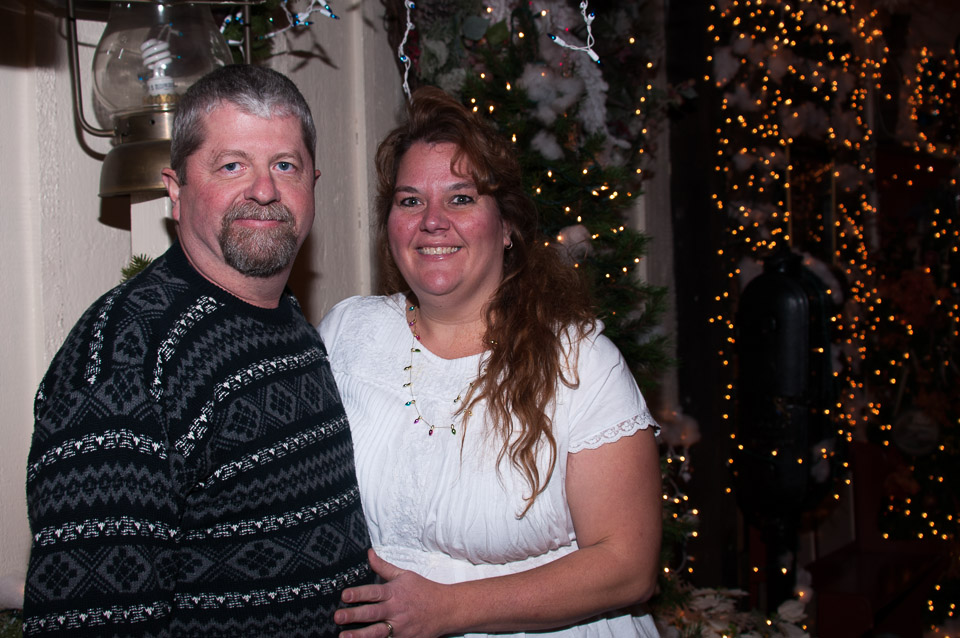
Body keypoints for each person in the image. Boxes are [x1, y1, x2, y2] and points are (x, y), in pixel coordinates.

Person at [24, 64, 373, 637]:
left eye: (285, 165)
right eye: (232, 165)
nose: (264, 189)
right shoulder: (126, 361)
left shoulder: (288, 321)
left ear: (313, 184)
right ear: (175, 189)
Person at [319, 87, 662, 638]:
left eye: (460, 198)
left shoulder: (580, 364)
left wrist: (450, 608)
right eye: (410, 201)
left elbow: (629, 566)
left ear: (507, 227)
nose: (432, 221)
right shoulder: (348, 333)